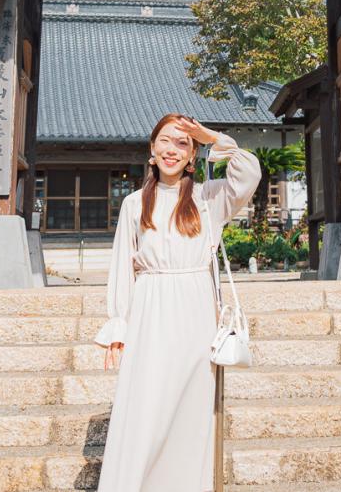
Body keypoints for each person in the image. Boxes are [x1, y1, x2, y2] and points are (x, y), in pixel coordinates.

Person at [93, 113, 259, 492]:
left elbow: (248, 171)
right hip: (150, 309)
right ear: (152, 150)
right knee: (146, 406)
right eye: (165, 141)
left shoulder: (208, 198)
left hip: (196, 310)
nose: (172, 150)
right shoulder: (134, 204)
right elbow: (123, 264)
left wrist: (210, 135)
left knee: (191, 409)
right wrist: (119, 324)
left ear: (192, 156)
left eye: (183, 144)